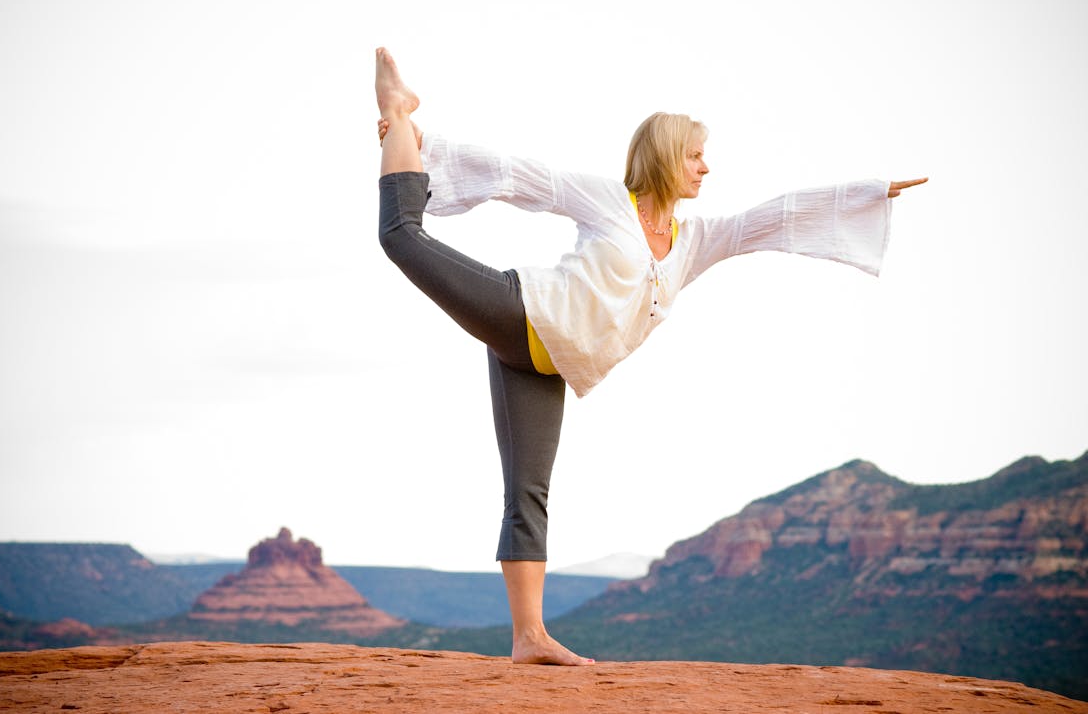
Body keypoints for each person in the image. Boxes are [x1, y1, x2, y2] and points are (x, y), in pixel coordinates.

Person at [373, 47, 926, 666]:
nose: (705, 168)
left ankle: (529, 639)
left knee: (528, 492)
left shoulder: (697, 242)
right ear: (664, 155)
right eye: (695, 155)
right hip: (519, 310)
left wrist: (866, 193)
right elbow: (520, 176)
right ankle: (396, 109)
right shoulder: (610, 201)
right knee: (402, 237)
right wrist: (418, 142)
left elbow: (776, 218)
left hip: (546, 364)